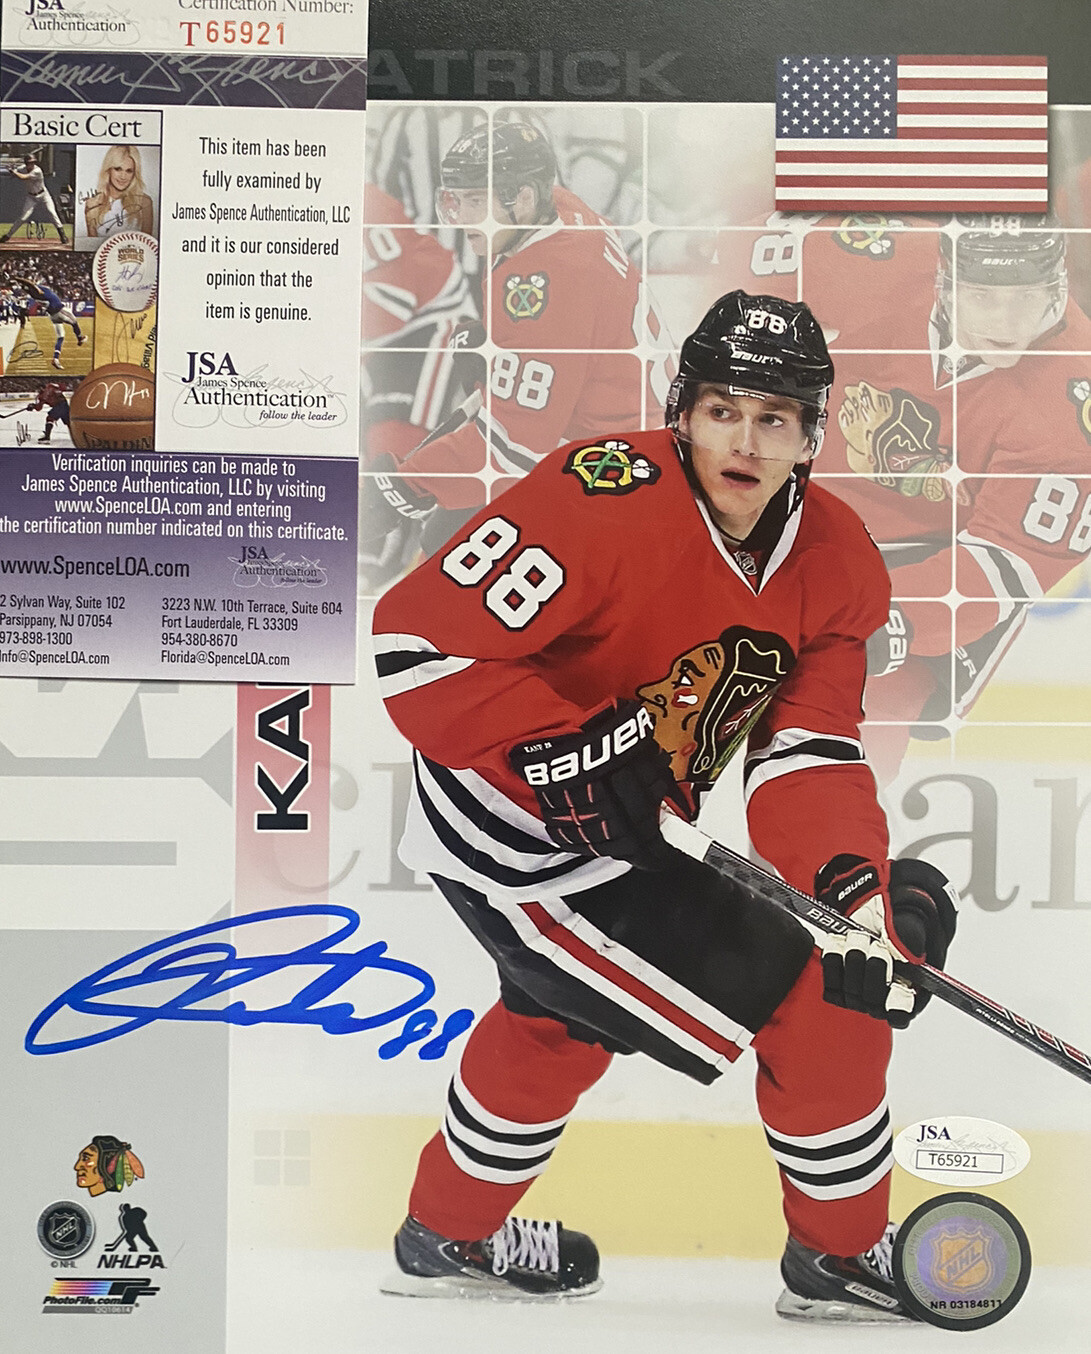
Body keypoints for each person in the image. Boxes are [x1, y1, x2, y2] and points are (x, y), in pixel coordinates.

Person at [372, 292, 957, 1318]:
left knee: (563, 1017)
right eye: (721, 410)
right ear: (680, 411)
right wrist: (558, 754)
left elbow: (808, 752)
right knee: (816, 997)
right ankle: (839, 1252)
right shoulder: (594, 495)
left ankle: (445, 1233)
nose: (744, 441)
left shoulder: (835, 558)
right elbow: (416, 645)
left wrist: (853, 894)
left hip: (630, 835)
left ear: (809, 436)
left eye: (773, 418)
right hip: (518, 838)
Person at [815, 215, 1091, 780]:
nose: (1008, 324)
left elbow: (1001, 568)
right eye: (985, 296)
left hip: (932, 554)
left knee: (860, 725)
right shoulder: (869, 258)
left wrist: (887, 618)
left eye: (1029, 297)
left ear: (1057, 285)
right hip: (799, 507)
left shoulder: (1072, 410)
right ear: (944, 279)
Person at [365, 121, 670, 558]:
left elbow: (513, 451)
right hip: (630, 422)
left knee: (451, 543)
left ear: (522, 198)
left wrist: (407, 485)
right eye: (455, 200)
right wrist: (501, 349)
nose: (461, 217)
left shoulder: (549, 281)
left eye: (476, 201)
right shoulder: (561, 208)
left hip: (622, 466)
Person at [11, 274, 88, 369]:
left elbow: (28, 285)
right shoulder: (36, 289)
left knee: (60, 337)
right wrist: (17, 278)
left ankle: (55, 359)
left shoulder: (33, 294)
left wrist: (19, 281)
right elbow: (29, 283)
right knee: (74, 321)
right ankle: (79, 338)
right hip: (59, 311)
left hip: (53, 316)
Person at [83, 145, 154, 238]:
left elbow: (147, 243)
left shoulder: (144, 202)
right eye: (118, 169)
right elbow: (92, 243)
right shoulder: (94, 203)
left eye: (129, 171)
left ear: (134, 174)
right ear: (108, 170)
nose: (123, 176)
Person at [1, 154, 68, 246]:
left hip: (43, 195)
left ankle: (63, 236)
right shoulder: (23, 168)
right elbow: (15, 173)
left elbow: (23, 177)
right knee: (23, 217)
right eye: (30, 163)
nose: (32, 164)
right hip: (31, 197)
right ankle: (8, 236)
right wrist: (12, 170)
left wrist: (13, 171)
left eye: (33, 162)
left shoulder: (37, 171)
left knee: (52, 213)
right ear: (26, 163)